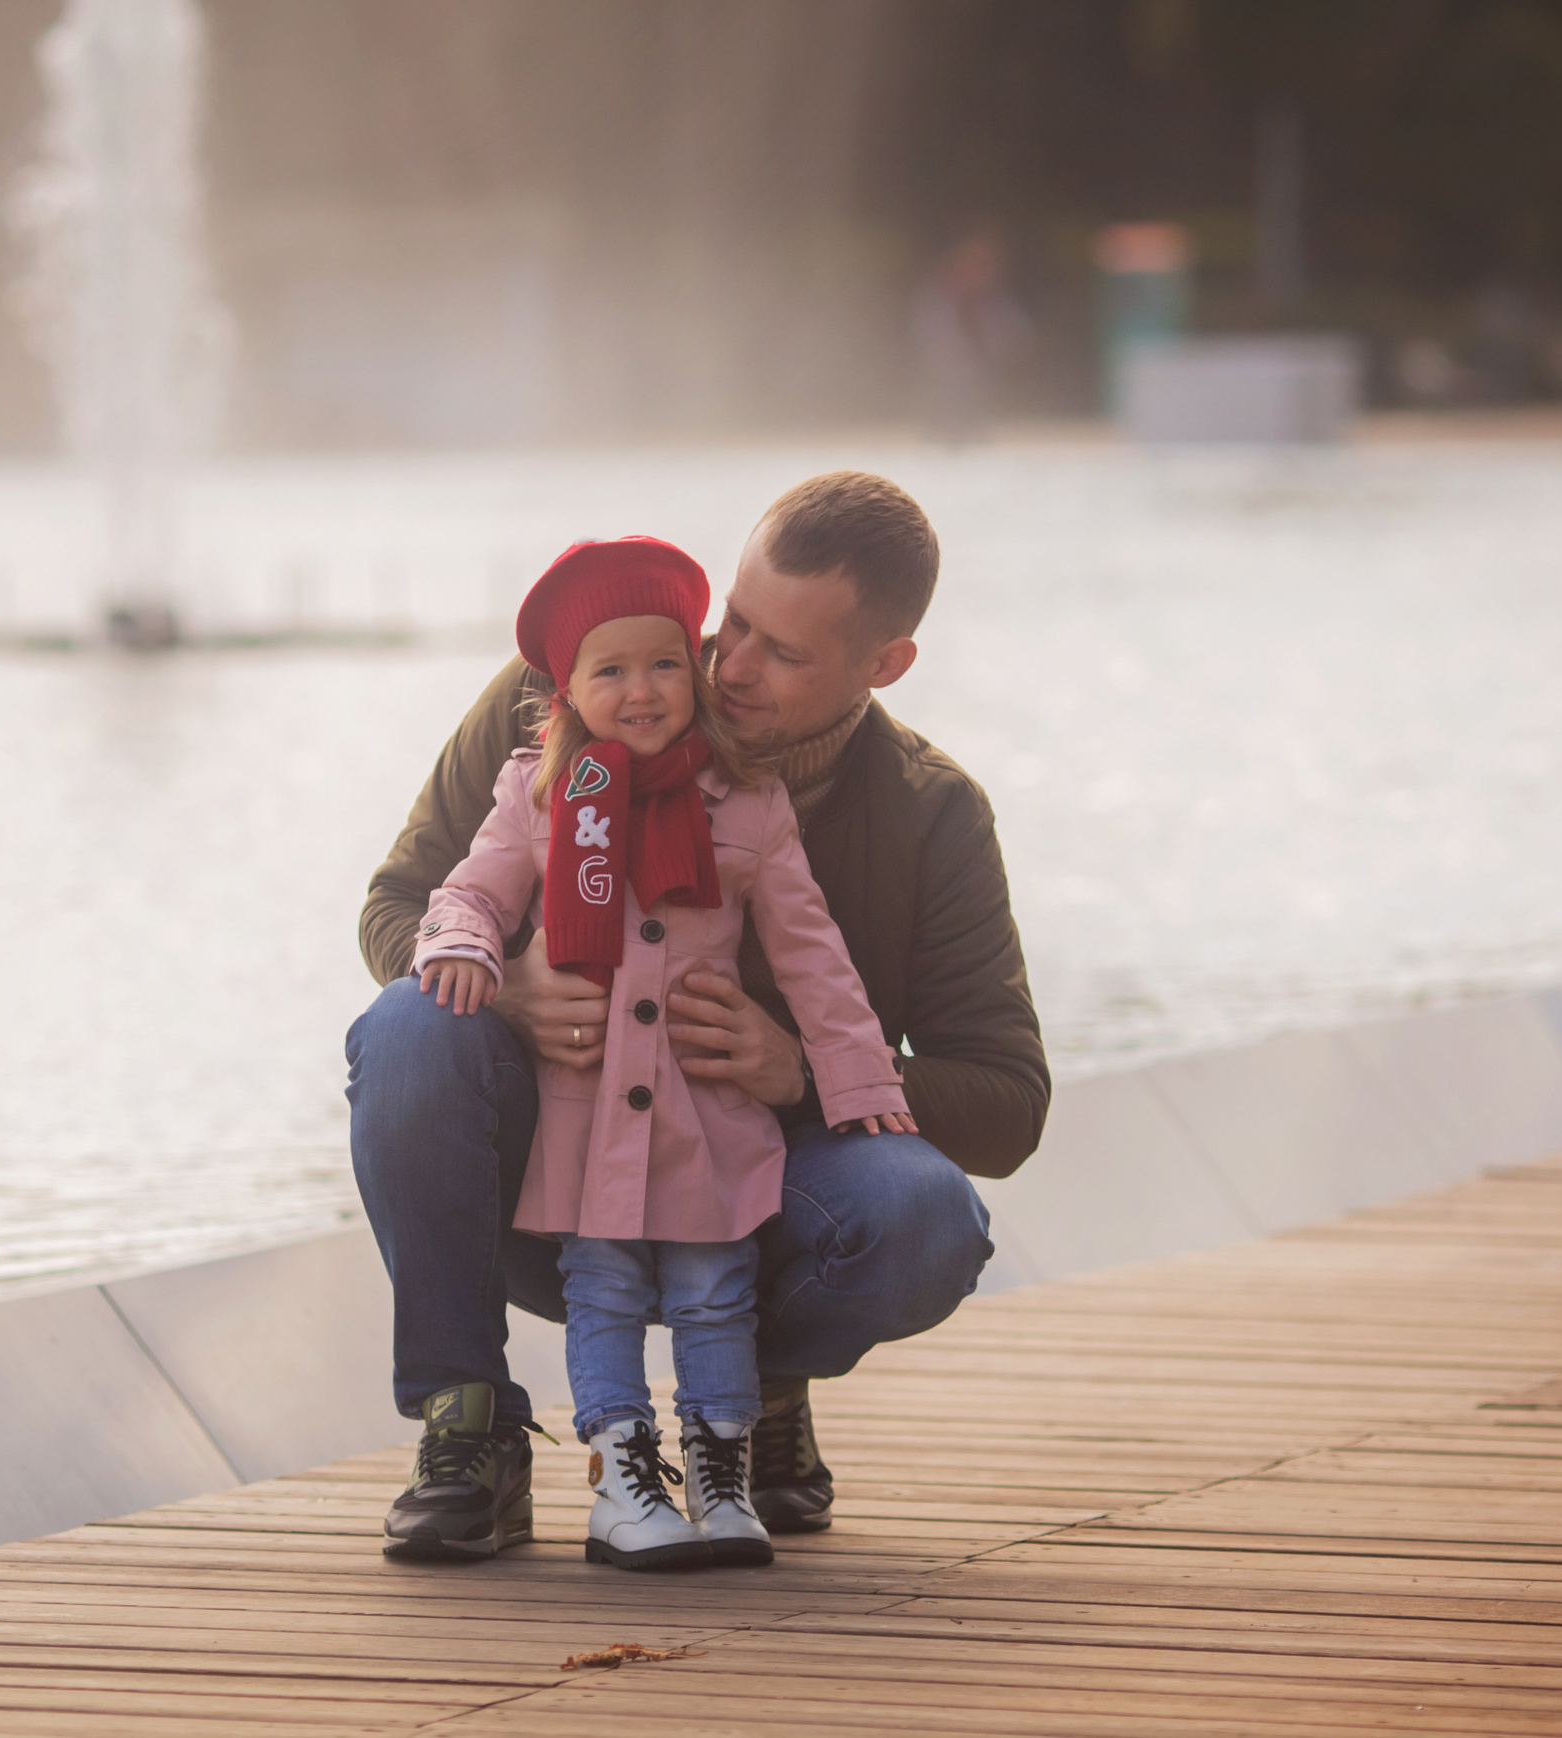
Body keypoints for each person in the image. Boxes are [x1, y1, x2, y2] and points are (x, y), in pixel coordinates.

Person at [347, 471, 1048, 1564]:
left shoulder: (930, 811)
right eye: (733, 622)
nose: (726, 667)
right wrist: (513, 978)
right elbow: (400, 905)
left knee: (927, 1219)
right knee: (407, 1028)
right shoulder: (570, 693)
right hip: (561, 1180)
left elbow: (1006, 1104)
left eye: (783, 652)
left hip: (758, 1186)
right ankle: (467, 1422)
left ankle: (756, 1395)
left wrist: (801, 1067)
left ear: (884, 665)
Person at [411, 535, 917, 1571]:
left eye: (661, 665)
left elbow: (814, 956)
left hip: (707, 1118)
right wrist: (477, 959)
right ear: (564, 690)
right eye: (610, 671)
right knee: (600, 1292)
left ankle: (723, 1471)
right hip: (584, 1118)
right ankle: (620, 1478)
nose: (641, 691)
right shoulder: (536, 793)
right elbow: (462, 890)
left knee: (714, 1291)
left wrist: (853, 1079)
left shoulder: (748, 805)